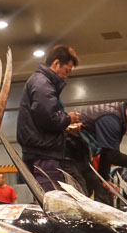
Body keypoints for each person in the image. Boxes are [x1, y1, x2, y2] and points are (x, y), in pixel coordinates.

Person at [16, 45, 81, 191]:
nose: (66, 76)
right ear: (56, 63)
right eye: (66, 71)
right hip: (44, 156)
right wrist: (68, 118)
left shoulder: (41, 82)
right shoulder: (42, 84)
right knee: (51, 203)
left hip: (41, 153)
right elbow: (50, 118)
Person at [73, 98, 127, 204]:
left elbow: (106, 154)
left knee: (101, 193)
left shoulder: (119, 121)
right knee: (79, 197)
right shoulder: (111, 120)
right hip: (68, 155)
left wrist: (105, 180)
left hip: (80, 156)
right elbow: (112, 156)